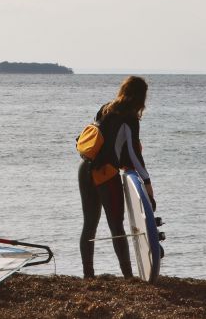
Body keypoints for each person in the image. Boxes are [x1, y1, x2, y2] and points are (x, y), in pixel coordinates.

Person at [78, 75, 154, 279]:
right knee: (116, 226)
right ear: (140, 97)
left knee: (89, 224)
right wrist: (147, 185)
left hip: (84, 169)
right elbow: (134, 155)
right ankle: (128, 276)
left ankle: (88, 275)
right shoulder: (129, 118)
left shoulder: (106, 108)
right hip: (105, 174)